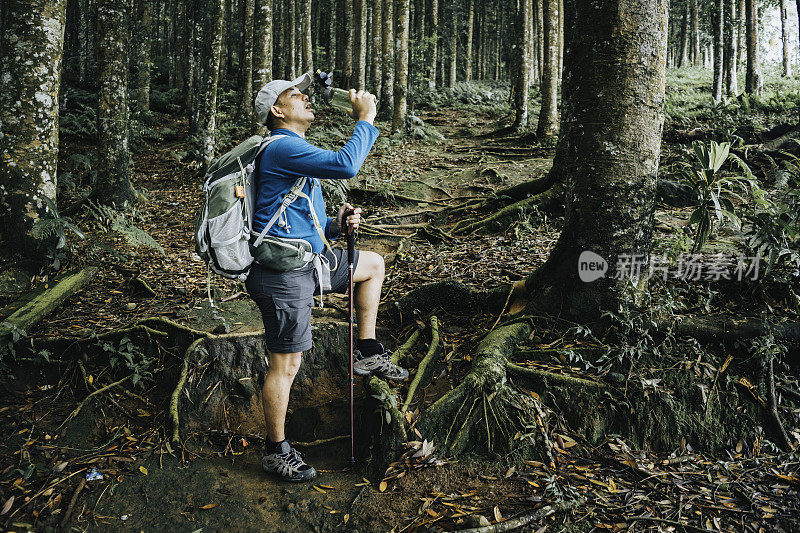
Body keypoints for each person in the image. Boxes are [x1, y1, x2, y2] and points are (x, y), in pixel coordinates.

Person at [247, 73, 409, 482]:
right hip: (282, 274)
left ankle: (367, 350)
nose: (305, 97)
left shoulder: (294, 151)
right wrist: (366, 117)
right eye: (294, 94)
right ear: (277, 110)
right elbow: (346, 165)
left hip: (309, 261)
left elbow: (307, 221)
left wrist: (337, 225)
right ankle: (276, 450)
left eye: (303, 92)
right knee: (287, 364)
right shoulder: (282, 146)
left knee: (372, 266)